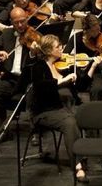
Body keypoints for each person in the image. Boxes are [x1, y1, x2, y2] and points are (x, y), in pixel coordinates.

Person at [28, 34, 84, 180]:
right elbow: (42, 88)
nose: (61, 48)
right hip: (43, 112)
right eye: (58, 47)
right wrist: (63, 81)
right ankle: (77, 164)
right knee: (69, 123)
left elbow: (82, 83)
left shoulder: (60, 64)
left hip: (61, 109)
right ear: (48, 51)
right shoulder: (38, 67)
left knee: (87, 115)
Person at [63, 14, 102, 101]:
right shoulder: (77, 37)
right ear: (87, 30)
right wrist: (77, 59)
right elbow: (64, 55)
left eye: (99, 28)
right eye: (95, 30)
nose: (99, 31)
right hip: (82, 70)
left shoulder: (100, 37)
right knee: (78, 83)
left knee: (97, 89)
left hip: (97, 70)